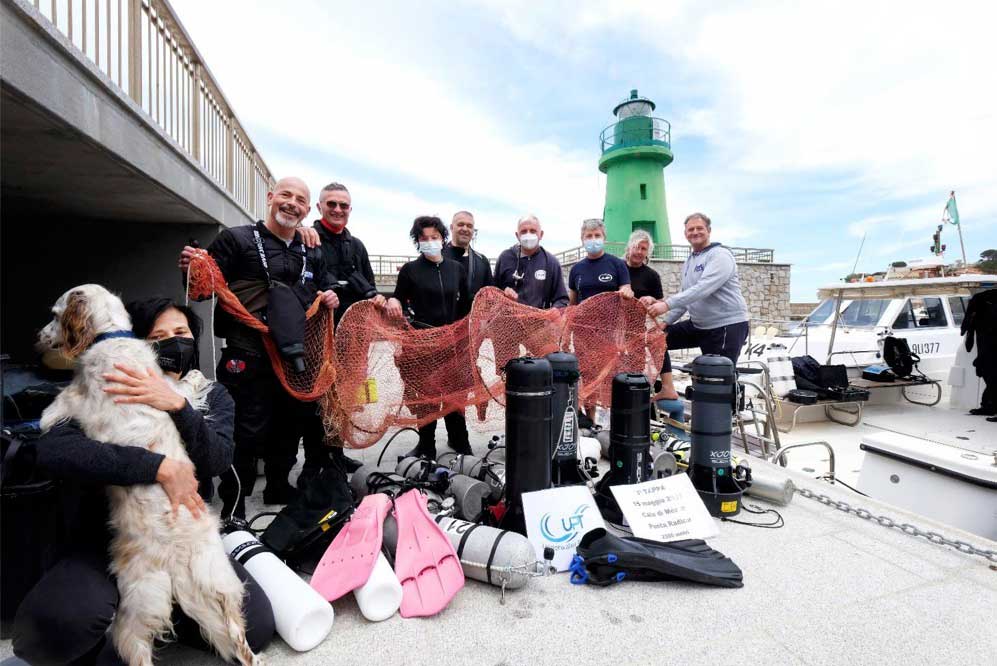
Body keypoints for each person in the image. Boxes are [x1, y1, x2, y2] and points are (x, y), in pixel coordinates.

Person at [12, 299, 275, 665]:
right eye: (159, 336)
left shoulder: (210, 393)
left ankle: (169, 606)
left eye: (181, 334)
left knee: (255, 627)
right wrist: (156, 466)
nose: (173, 343)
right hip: (116, 541)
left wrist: (175, 405)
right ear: (139, 343)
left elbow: (216, 458)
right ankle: (118, 607)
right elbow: (54, 451)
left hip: (184, 538)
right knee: (58, 624)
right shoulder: (104, 386)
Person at [178, 176, 339, 518]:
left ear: (306, 210)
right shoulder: (236, 240)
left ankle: (278, 487)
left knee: (289, 426)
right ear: (270, 197)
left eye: (299, 200)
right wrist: (192, 271)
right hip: (246, 351)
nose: (291, 203)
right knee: (245, 431)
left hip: (295, 357)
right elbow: (203, 291)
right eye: (285, 195)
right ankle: (234, 504)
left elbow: (322, 285)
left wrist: (329, 294)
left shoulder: (310, 248)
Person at [298, 182, 384, 485]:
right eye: (331, 204)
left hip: (350, 340)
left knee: (343, 401)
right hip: (317, 338)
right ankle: (314, 460)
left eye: (343, 205)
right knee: (317, 403)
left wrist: (377, 299)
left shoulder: (356, 246)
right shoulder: (306, 238)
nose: (337, 209)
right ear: (319, 207)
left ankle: (335, 453)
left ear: (350, 210)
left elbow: (369, 284)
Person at [385, 216, 472, 459]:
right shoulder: (410, 271)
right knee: (426, 399)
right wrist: (393, 300)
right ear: (418, 242)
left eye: (434, 237)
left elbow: (466, 306)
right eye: (424, 239)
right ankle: (426, 445)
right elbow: (398, 299)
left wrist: (467, 340)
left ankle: (460, 442)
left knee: (455, 398)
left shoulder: (457, 269)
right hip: (422, 345)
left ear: (443, 239)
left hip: (453, 345)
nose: (430, 242)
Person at [644, 212, 750, 399]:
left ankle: (727, 420)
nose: (695, 232)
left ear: (709, 231)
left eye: (699, 228)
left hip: (726, 326)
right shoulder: (689, 262)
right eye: (690, 229)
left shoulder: (720, 256)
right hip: (699, 325)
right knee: (656, 340)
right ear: (685, 234)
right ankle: (668, 389)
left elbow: (702, 289)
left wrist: (666, 304)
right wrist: (665, 323)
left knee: (718, 378)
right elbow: (687, 298)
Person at [493, 214, 569, 309]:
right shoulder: (505, 258)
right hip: (509, 321)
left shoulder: (551, 262)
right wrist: (504, 294)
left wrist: (554, 312)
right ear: (517, 235)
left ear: (541, 234)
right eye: (524, 231)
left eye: (533, 231)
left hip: (541, 322)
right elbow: (492, 294)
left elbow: (562, 299)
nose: (528, 235)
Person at [567, 219, 633, 304]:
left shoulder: (618, 264)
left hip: (612, 317)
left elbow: (626, 289)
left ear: (604, 238)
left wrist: (627, 292)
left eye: (597, 235)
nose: (593, 239)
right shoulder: (575, 269)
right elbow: (572, 304)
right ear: (582, 240)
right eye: (589, 236)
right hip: (583, 317)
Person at [443, 210, 493, 303]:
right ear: (451, 227)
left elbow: (489, 296)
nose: (465, 229)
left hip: (472, 316)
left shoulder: (482, 261)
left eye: (469, 226)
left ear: (473, 230)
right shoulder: (437, 256)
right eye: (461, 224)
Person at [625, 229, 663, 301]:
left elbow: (660, 303)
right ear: (629, 248)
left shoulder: (653, 276)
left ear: (648, 252)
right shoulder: (617, 268)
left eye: (643, 249)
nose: (639, 252)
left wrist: (652, 300)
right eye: (636, 247)